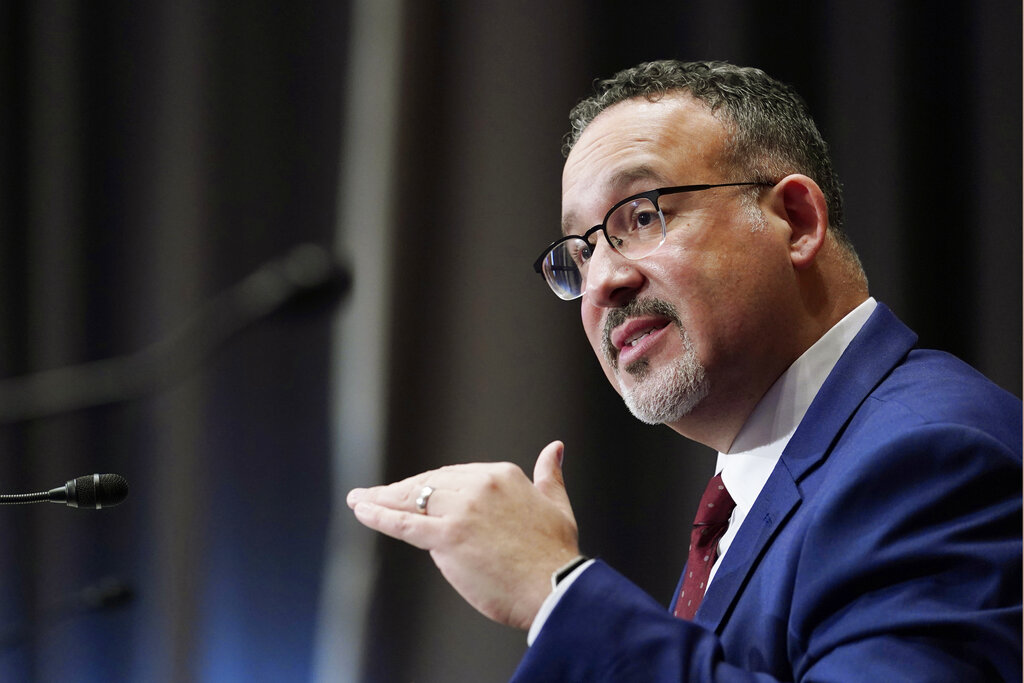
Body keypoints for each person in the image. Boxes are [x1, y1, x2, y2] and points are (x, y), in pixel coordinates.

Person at [347, 60, 1022, 681]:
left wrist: (556, 592)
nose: (603, 280)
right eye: (579, 256)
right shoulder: (759, 486)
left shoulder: (930, 455)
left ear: (795, 219)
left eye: (641, 216)